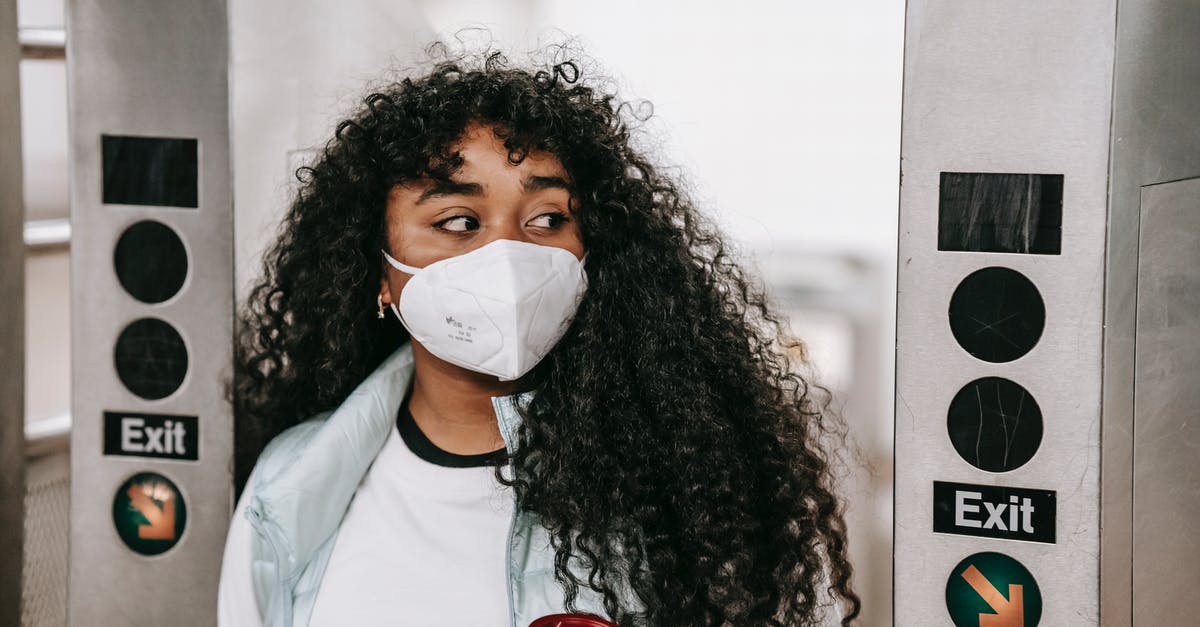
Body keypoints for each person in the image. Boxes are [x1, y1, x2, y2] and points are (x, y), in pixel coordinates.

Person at [218, 44, 862, 627]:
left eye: (547, 218)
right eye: (460, 220)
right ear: (378, 272)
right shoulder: (291, 486)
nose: (508, 256)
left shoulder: (693, 491)